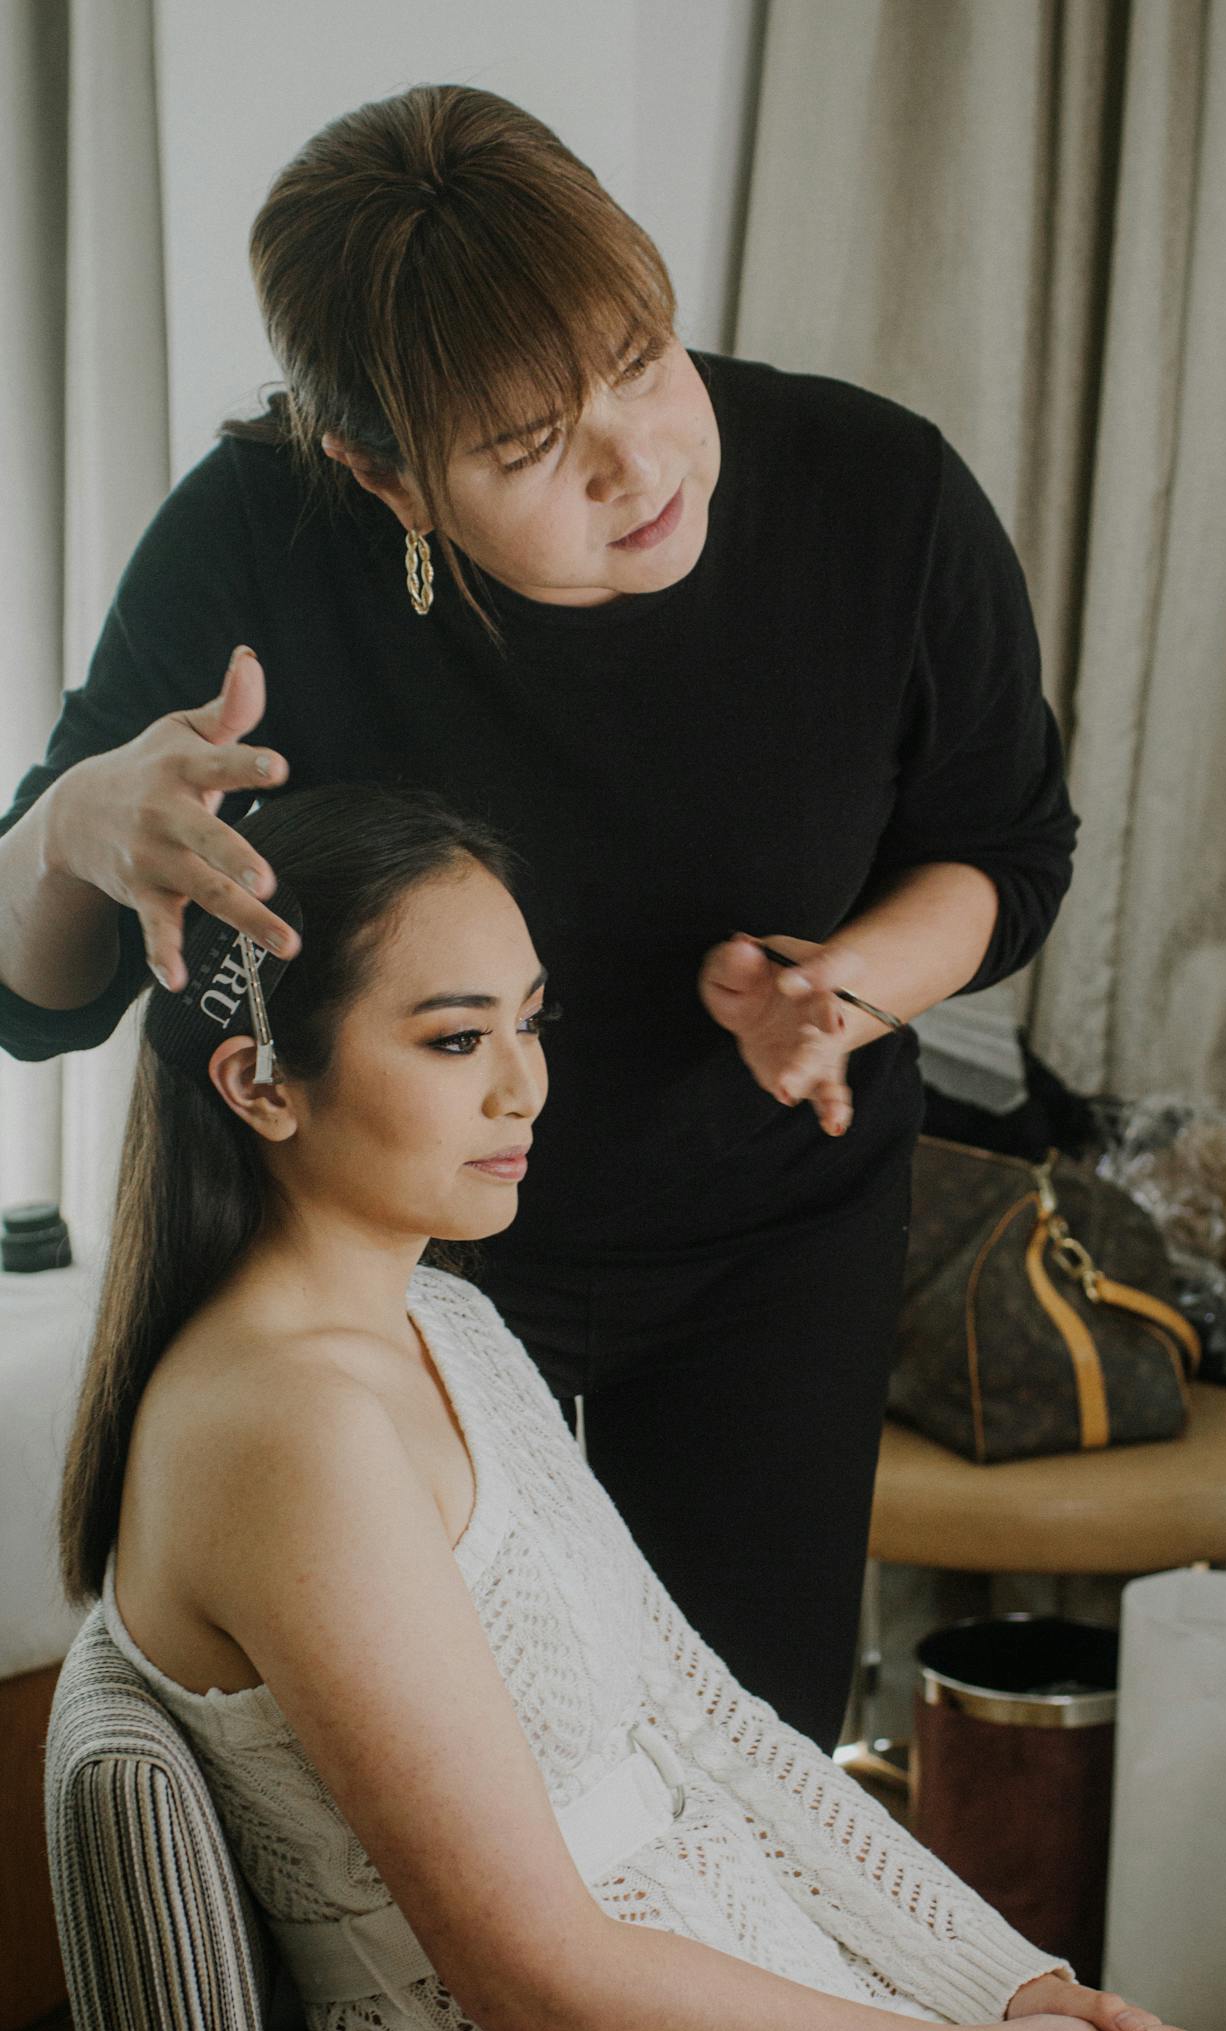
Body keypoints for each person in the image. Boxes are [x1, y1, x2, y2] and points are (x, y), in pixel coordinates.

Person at [0, 82, 1080, 1752]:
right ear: (382, 474)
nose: (640, 460)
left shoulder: (881, 493)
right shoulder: (255, 542)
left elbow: (1003, 847)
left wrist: (849, 988)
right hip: (361, 1260)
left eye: (645, 355)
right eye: (526, 447)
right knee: (391, 1773)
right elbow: (33, 991)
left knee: (744, 1755)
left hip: (758, 1232)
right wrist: (76, 829)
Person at [61, 782, 1197, 2031]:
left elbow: (703, 1723)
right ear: (261, 1082)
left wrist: (1011, 1983)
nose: (525, 1089)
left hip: (780, 1982)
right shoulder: (284, 1432)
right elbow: (535, 1984)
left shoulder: (447, 1323)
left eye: (532, 1022)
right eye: (454, 1039)